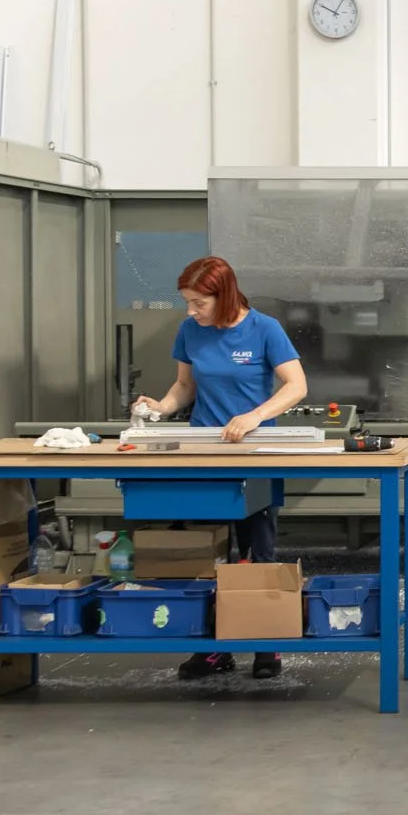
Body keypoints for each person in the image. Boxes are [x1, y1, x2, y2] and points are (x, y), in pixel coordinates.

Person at [131, 256, 308, 677]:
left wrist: (255, 417)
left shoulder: (264, 329)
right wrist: (160, 407)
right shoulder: (191, 330)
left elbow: (297, 385)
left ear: (224, 295)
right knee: (207, 551)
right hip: (205, 452)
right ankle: (213, 648)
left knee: (257, 552)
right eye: (187, 302)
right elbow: (185, 385)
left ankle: (265, 644)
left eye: (199, 303)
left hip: (253, 454)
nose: (191, 311)